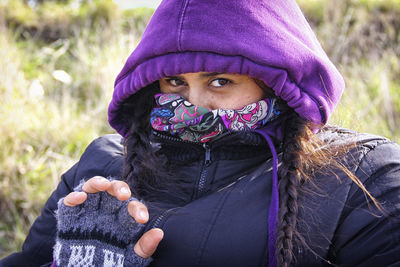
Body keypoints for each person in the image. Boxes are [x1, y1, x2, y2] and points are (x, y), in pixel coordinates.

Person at [2, 0, 400, 266]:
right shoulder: (102, 167)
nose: (193, 104)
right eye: (175, 81)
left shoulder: (360, 176)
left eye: (221, 81)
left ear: (276, 86)